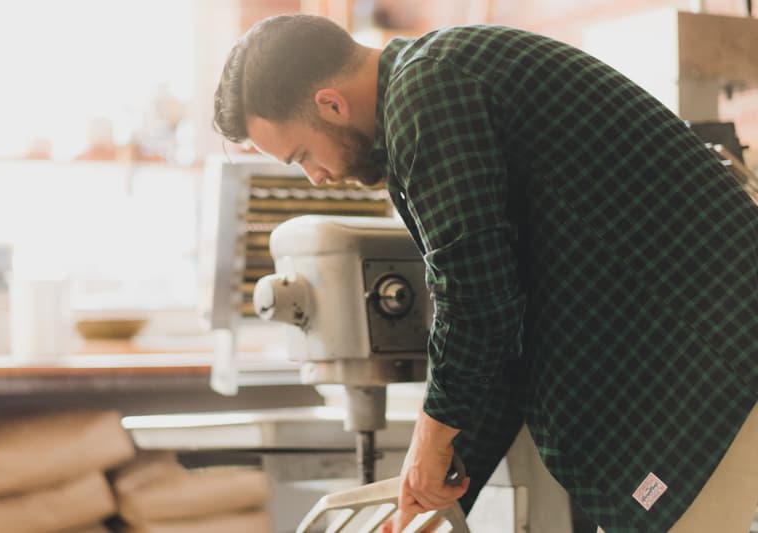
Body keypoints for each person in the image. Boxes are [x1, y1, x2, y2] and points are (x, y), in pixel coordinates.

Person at [213, 14, 758, 533]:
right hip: (703, 360)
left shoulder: (427, 93)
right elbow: (500, 336)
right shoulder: (430, 86)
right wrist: (430, 498)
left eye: (303, 155)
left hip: (717, 361)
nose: (317, 178)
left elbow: (475, 303)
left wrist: (429, 442)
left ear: (330, 104)